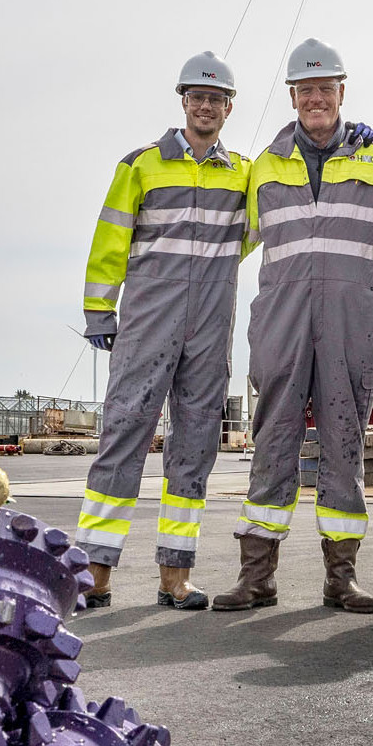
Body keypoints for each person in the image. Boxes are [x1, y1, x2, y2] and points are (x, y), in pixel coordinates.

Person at [212, 38, 373, 613]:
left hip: (351, 324)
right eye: (305, 90)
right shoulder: (262, 167)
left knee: (344, 445)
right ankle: (256, 577)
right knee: (272, 444)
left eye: (324, 89)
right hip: (281, 324)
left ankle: (342, 578)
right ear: (292, 97)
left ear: (341, 94)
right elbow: (223, 246)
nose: (315, 99)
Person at [76, 52, 251, 609]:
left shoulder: (243, 172)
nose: (205, 106)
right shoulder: (141, 165)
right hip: (150, 320)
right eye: (196, 97)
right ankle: (95, 572)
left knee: (195, 447)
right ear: (183, 102)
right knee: (123, 435)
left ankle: (175, 576)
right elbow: (110, 242)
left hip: (209, 326)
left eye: (215, 98)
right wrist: (100, 311)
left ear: (229, 106)